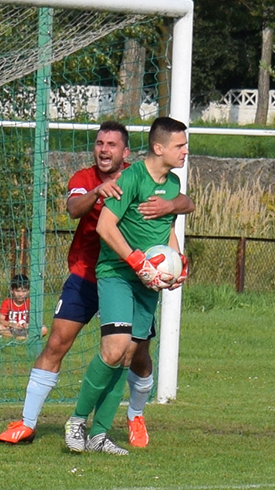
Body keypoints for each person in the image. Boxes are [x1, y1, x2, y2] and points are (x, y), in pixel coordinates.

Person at [0, 120, 193, 446]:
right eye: (99, 143)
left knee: (137, 354)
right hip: (90, 273)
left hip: (137, 278)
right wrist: (97, 192)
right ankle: (28, 422)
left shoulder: (147, 177)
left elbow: (181, 203)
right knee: (58, 342)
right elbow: (74, 209)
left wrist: (171, 210)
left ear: (126, 151)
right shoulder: (87, 179)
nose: (104, 149)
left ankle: (131, 416)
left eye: (111, 145)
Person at [63, 116, 190, 455]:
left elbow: (167, 231)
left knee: (129, 355)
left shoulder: (173, 185)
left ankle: (100, 435)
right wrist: (137, 262)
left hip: (147, 283)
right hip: (117, 273)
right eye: (180, 146)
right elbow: (105, 226)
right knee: (114, 349)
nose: (185, 151)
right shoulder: (130, 178)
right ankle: (77, 421)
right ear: (158, 147)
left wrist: (178, 265)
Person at [0, 273, 48, 340]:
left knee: (44, 329)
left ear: (28, 291)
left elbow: (38, 320)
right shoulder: (7, 302)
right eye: (17, 291)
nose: (21, 294)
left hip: (26, 330)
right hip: (11, 329)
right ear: (11, 290)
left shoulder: (31, 303)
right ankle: (18, 337)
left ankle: (22, 337)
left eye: (24, 291)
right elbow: (0, 320)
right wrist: (11, 324)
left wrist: (29, 325)